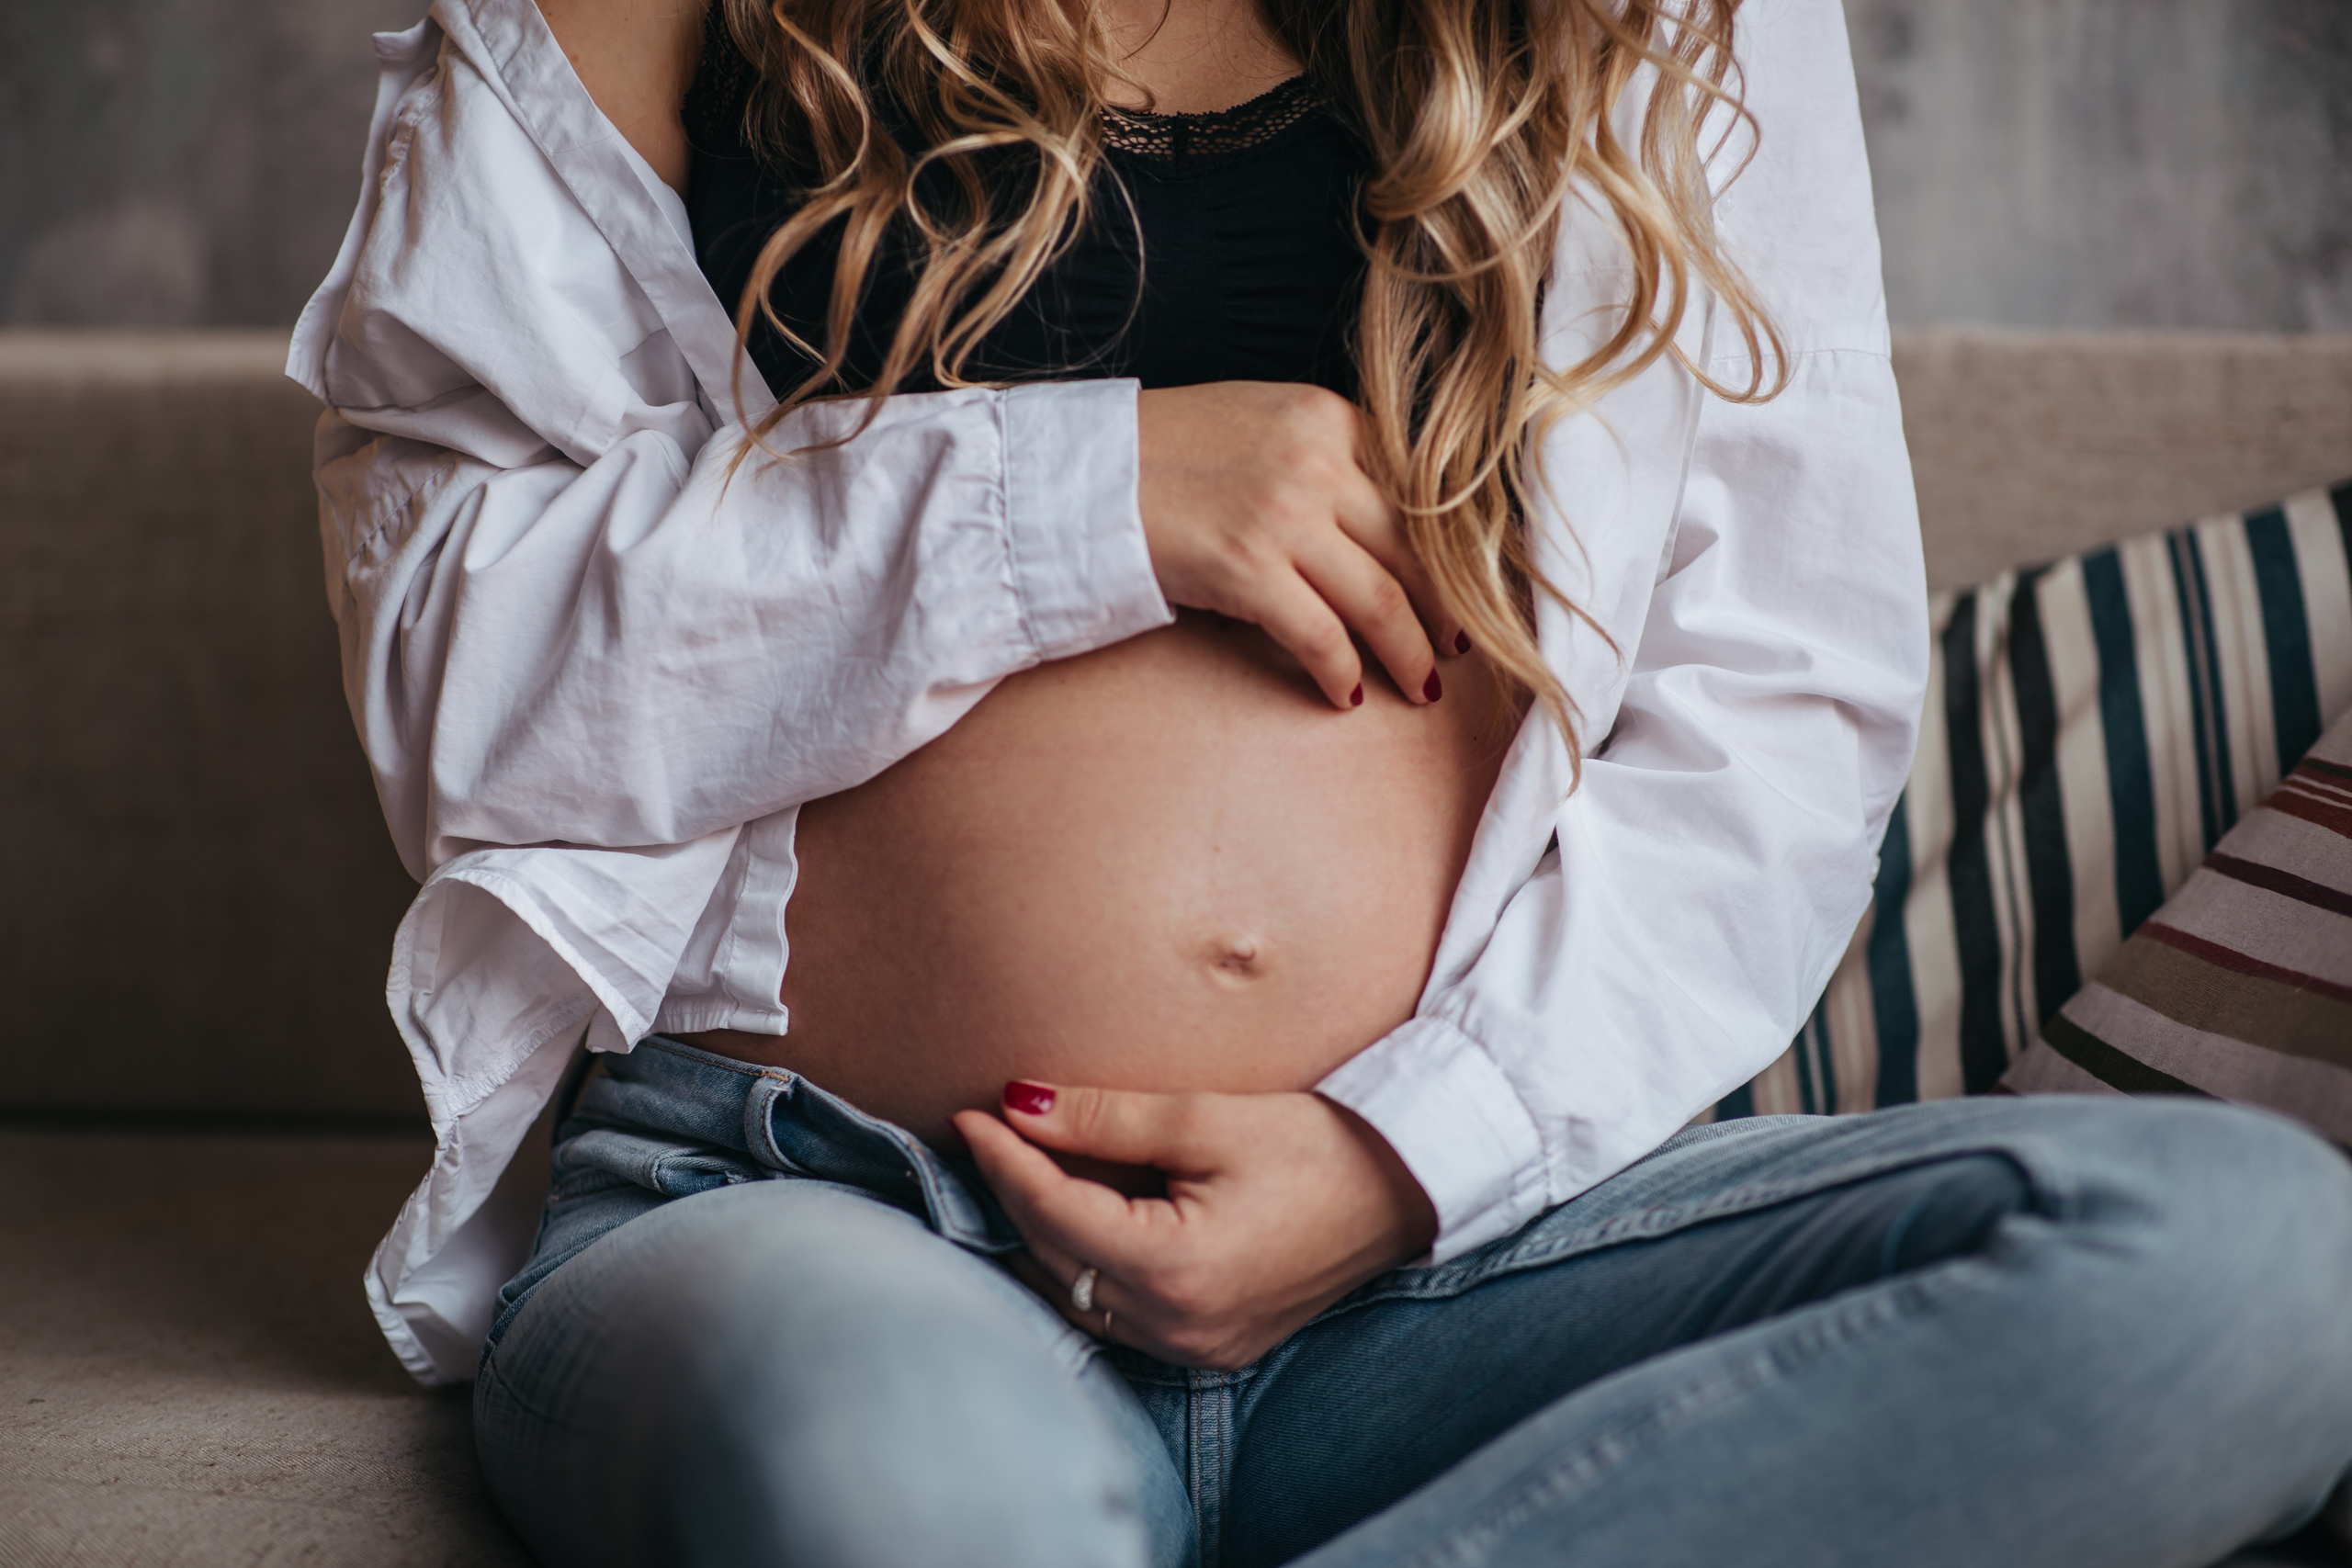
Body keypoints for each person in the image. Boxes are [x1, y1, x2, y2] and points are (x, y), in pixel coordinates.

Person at [290, 0, 2352, 1562]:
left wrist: (1400, 1157)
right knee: (912, 1480)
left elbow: (1780, 693)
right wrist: (1094, 489)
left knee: (2261, 1267)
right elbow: (454, 659)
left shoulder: (1642, 23)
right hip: (823, 1207)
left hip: (1457, 1267)